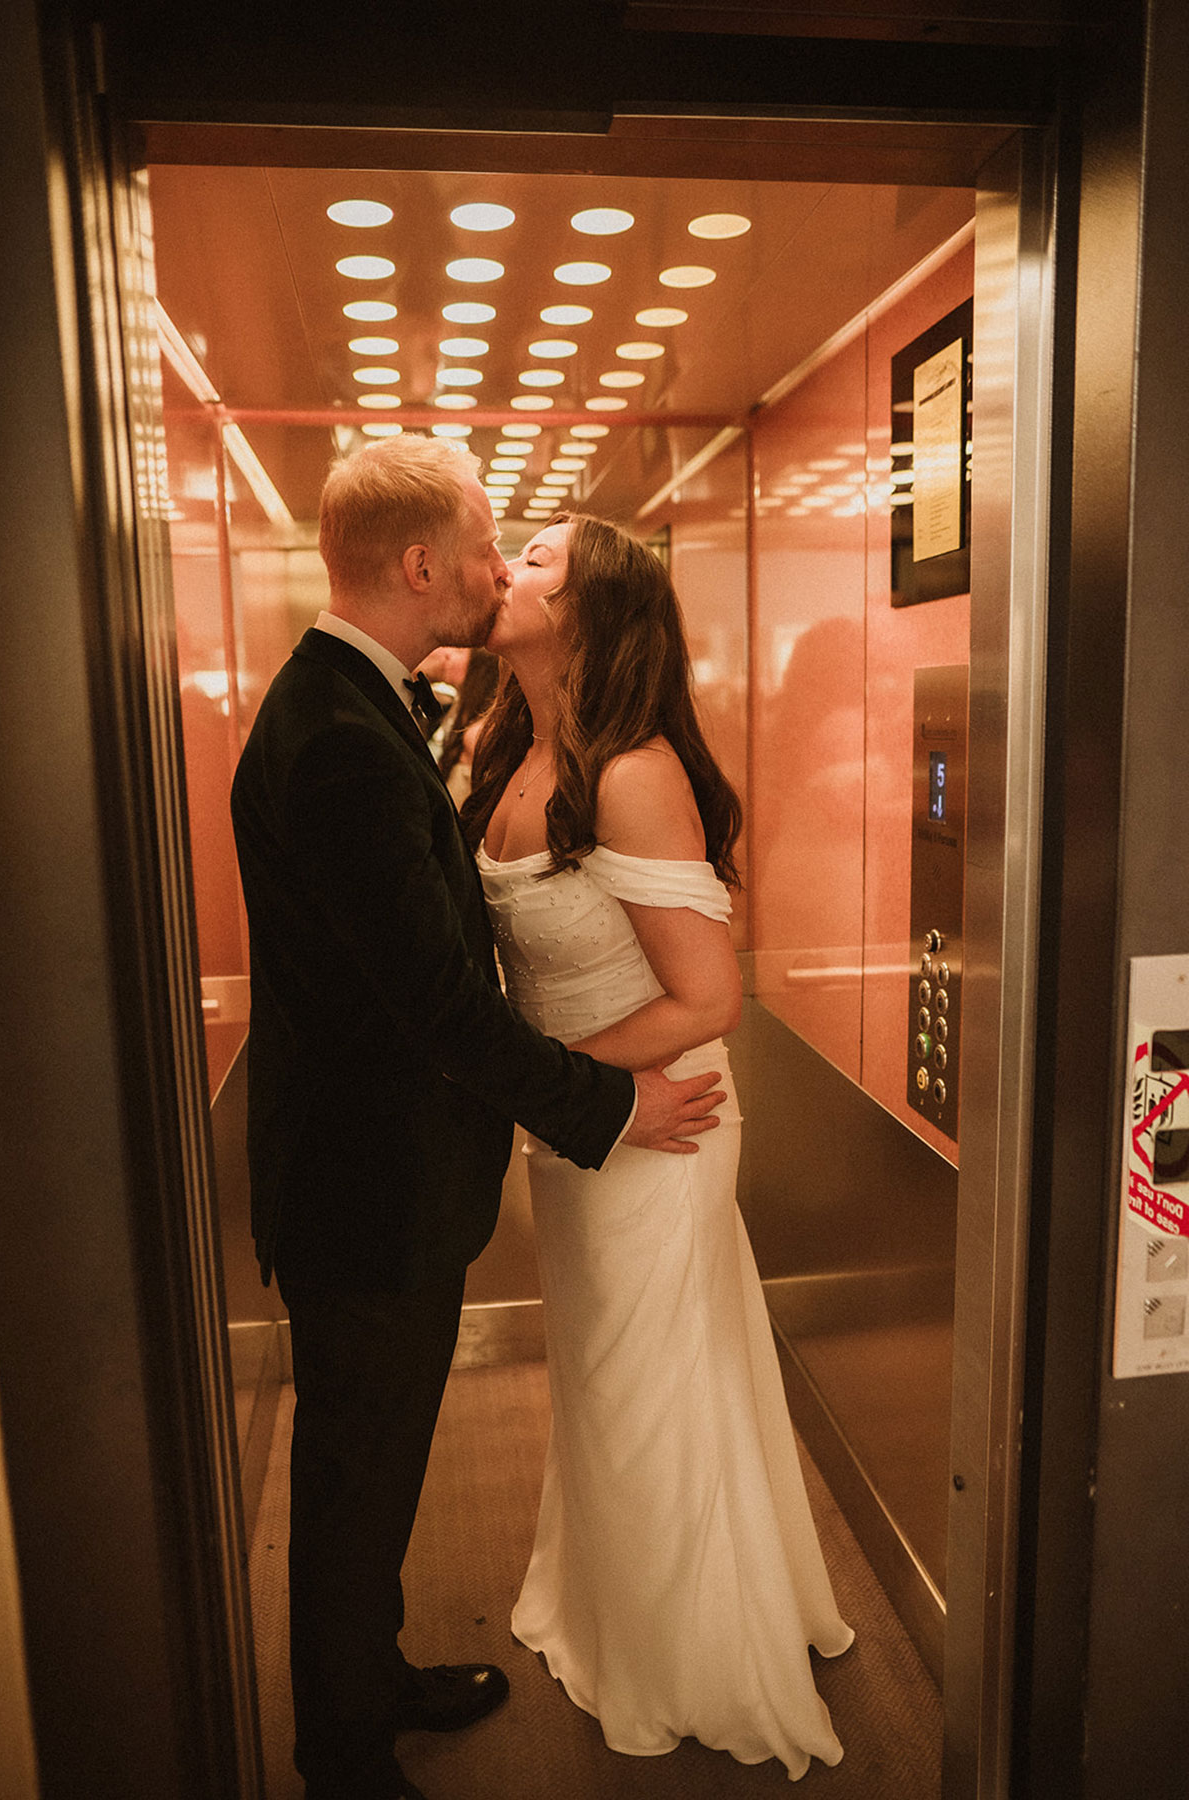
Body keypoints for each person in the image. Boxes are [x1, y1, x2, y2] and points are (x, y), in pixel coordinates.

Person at [229, 438, 726, 1800]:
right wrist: (610, 1105)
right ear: (422, 565)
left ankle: (370, 1679)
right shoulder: (339, 737)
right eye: (493, 545)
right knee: (354, 1478)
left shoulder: (367, 706)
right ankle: (342, 1752)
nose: (503, 568)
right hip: (367, 1191)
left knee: (375, 1470)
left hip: (390, 1178)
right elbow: (440, 1012)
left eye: (535, 556)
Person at [464, 511, 855, 1781]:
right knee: (604, 1379)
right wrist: (549, 1101)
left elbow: (709, 1000)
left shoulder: (631, 770)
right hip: (576, 1122)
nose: (505, 568)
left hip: (660, 1123)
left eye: (534, 561)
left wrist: (561, 1088)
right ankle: (618, 1605)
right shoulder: (506, 743)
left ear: (589, 612)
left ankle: (687, 1648)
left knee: (650, 1385)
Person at [435, 645, 499, 807]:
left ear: (481, 667)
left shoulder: (480, 731)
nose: (448, 655)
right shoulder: (458, 705)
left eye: (459, 651)